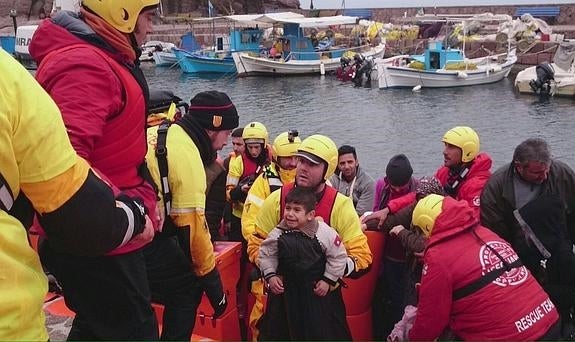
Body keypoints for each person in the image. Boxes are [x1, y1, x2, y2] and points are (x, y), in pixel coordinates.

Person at [29, 0, 163, 339]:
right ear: (124, 15)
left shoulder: (98, 58)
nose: (151, 28)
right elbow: (65, 161)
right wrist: (127, 212)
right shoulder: (86, 66)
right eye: (148, 17)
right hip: (101, 232)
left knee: (100, 324)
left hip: (107, 227)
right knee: (131, 329)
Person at [0, 48, 151, 340]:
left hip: (65, 241)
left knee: (96, 319)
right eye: (147, 15)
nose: (150, 26)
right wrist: (135, 213)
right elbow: (77, 210)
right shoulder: (12, 80)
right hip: (9, 317)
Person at [145, 91, 237, 339]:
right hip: (136, 237)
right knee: (187, 287)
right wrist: (216, 291)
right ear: (211, 128)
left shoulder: (160, 132)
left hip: (109, 224)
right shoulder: (187, 157)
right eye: (227, 133)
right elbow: (193, 232)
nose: (227, 141)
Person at [407, 194, 561, 341]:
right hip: (548, 319)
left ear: (426, 226)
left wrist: (411, 337)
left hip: (512, 336)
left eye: (419, 232)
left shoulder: (438, 256)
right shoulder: (485, 233)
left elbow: (429, 323)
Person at [247, 134, 372, 289]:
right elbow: (255, 245)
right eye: (301, 161)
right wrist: (274, 269)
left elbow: (362, 257)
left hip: (322, 294)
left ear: (327, 169)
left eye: (312, 164)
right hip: (283, 292)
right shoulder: (276, 199)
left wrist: (328, 270)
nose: (303, 168)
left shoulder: (340, 205)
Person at [481, 138, 575, 334]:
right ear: (518, 167)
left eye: (546, 170)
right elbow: (494, 235)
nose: (545, 176)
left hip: (559, 247)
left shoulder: (561, 173)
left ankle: (566, 321)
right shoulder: (496, 188)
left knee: (565, 286)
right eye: (537, 173)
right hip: (521, 254)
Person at [258, 186, 351, 340]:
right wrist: (271, 276)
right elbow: (266, 255)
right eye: (288, 208)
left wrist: (328, 280)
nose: (290, 214)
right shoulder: (277, 233)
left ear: (310, 215)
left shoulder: (324, 233)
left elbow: (338, 256)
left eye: (297, 210)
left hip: (314, 294)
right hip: (285, 296)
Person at [364, 126, 491, 228]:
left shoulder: (478, 184)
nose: (444, 151)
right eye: (445, 145)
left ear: (467, 151)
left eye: (451, 147)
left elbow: (471, 221)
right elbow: (420, 193)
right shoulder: (446, 172)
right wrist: (389, 208)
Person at [241, 129, 301, 340]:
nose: (293, 163)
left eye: (297, 158)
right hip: (270, 262)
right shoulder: (264, 182)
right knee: (262, 316)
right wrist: (263, 258)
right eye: (288, 158)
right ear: (277, 158)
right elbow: (250, 223)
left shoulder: (312, 181)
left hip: (303, 264)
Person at [368, 154, 417, 340]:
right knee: (386, 299)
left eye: (400, 187)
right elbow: (375, 213)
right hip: (387, 254)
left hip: (407, 255)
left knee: (403, 303)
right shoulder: (382, 186)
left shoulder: (417, 188)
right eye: (393, 185)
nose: (396, 189)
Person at [226, 121, 271, 242]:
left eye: (257, 147)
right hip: (240, 216)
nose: (253, 151)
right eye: (250, 147)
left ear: (264, 145)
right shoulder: (238, 163)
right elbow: (228, 194)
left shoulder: (272, 159)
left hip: (264, 216)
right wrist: (241, 190)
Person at [328, 144, 375, 216]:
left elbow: (361, 214)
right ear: (338, 165)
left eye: (350, 162)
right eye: (342, 163)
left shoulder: (368, 184)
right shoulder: (332, 180)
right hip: (335, 217)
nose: (346, 166)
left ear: (356, 162)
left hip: (358, 221)